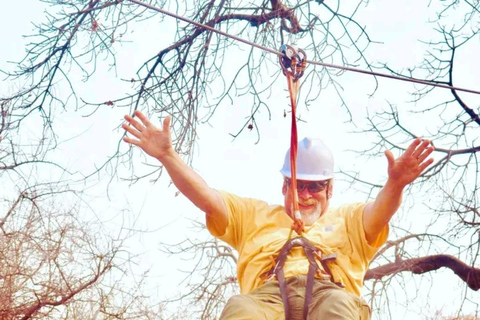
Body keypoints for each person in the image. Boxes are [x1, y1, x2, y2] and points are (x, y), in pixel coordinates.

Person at [122, 110, 435, 320]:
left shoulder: (350, 219)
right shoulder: (253, 214)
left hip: (329, 292)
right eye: (298, 186)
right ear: (285, 185)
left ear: (330, 190)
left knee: (340, 308)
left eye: (315, 187)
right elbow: (206, 197)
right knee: (239, 309)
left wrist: (395, 183)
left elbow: (380, 212)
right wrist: (168, 156)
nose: (306, 195)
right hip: (266, 295)